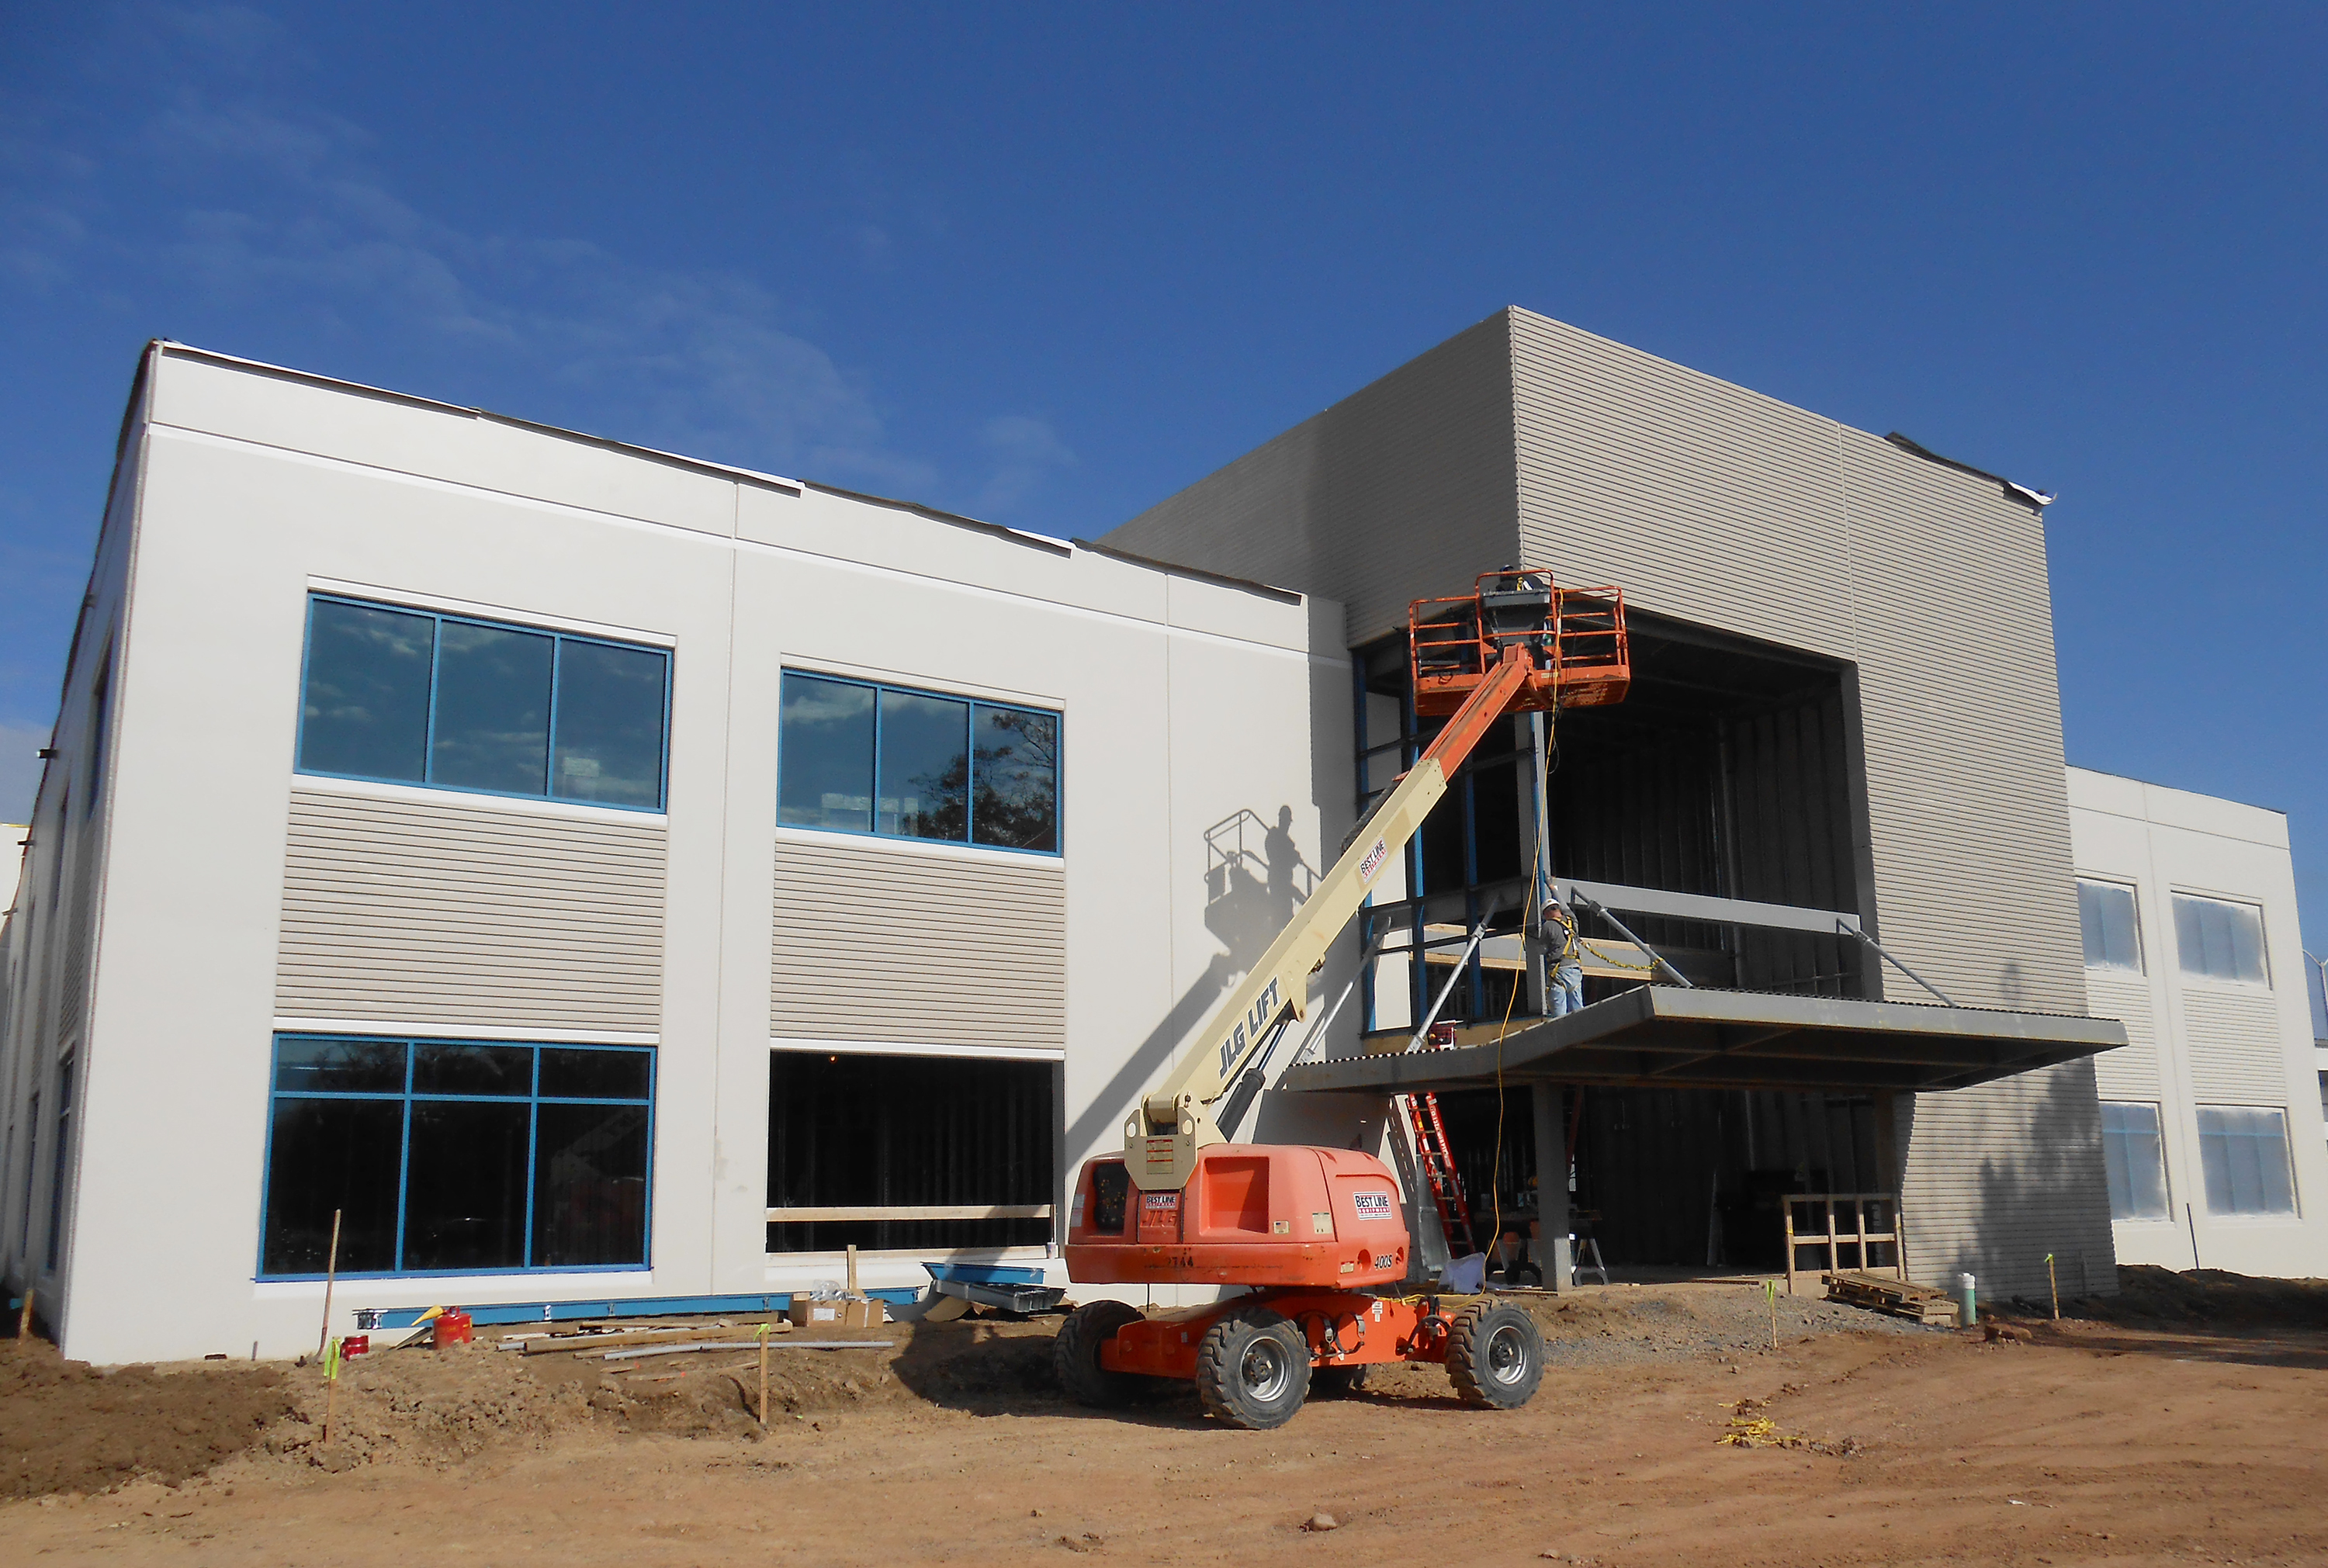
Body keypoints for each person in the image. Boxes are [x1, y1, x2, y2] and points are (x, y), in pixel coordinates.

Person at [1541, 900, 1585, 1017]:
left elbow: (1542, 950)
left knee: (1559, 1014)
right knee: (1578, 1011)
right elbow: (1567, 908)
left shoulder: (1548, 925)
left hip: (1558, 972)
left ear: (1546, 913)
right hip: (1575, 970)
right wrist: (1553, 888)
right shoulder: (1573, 922)